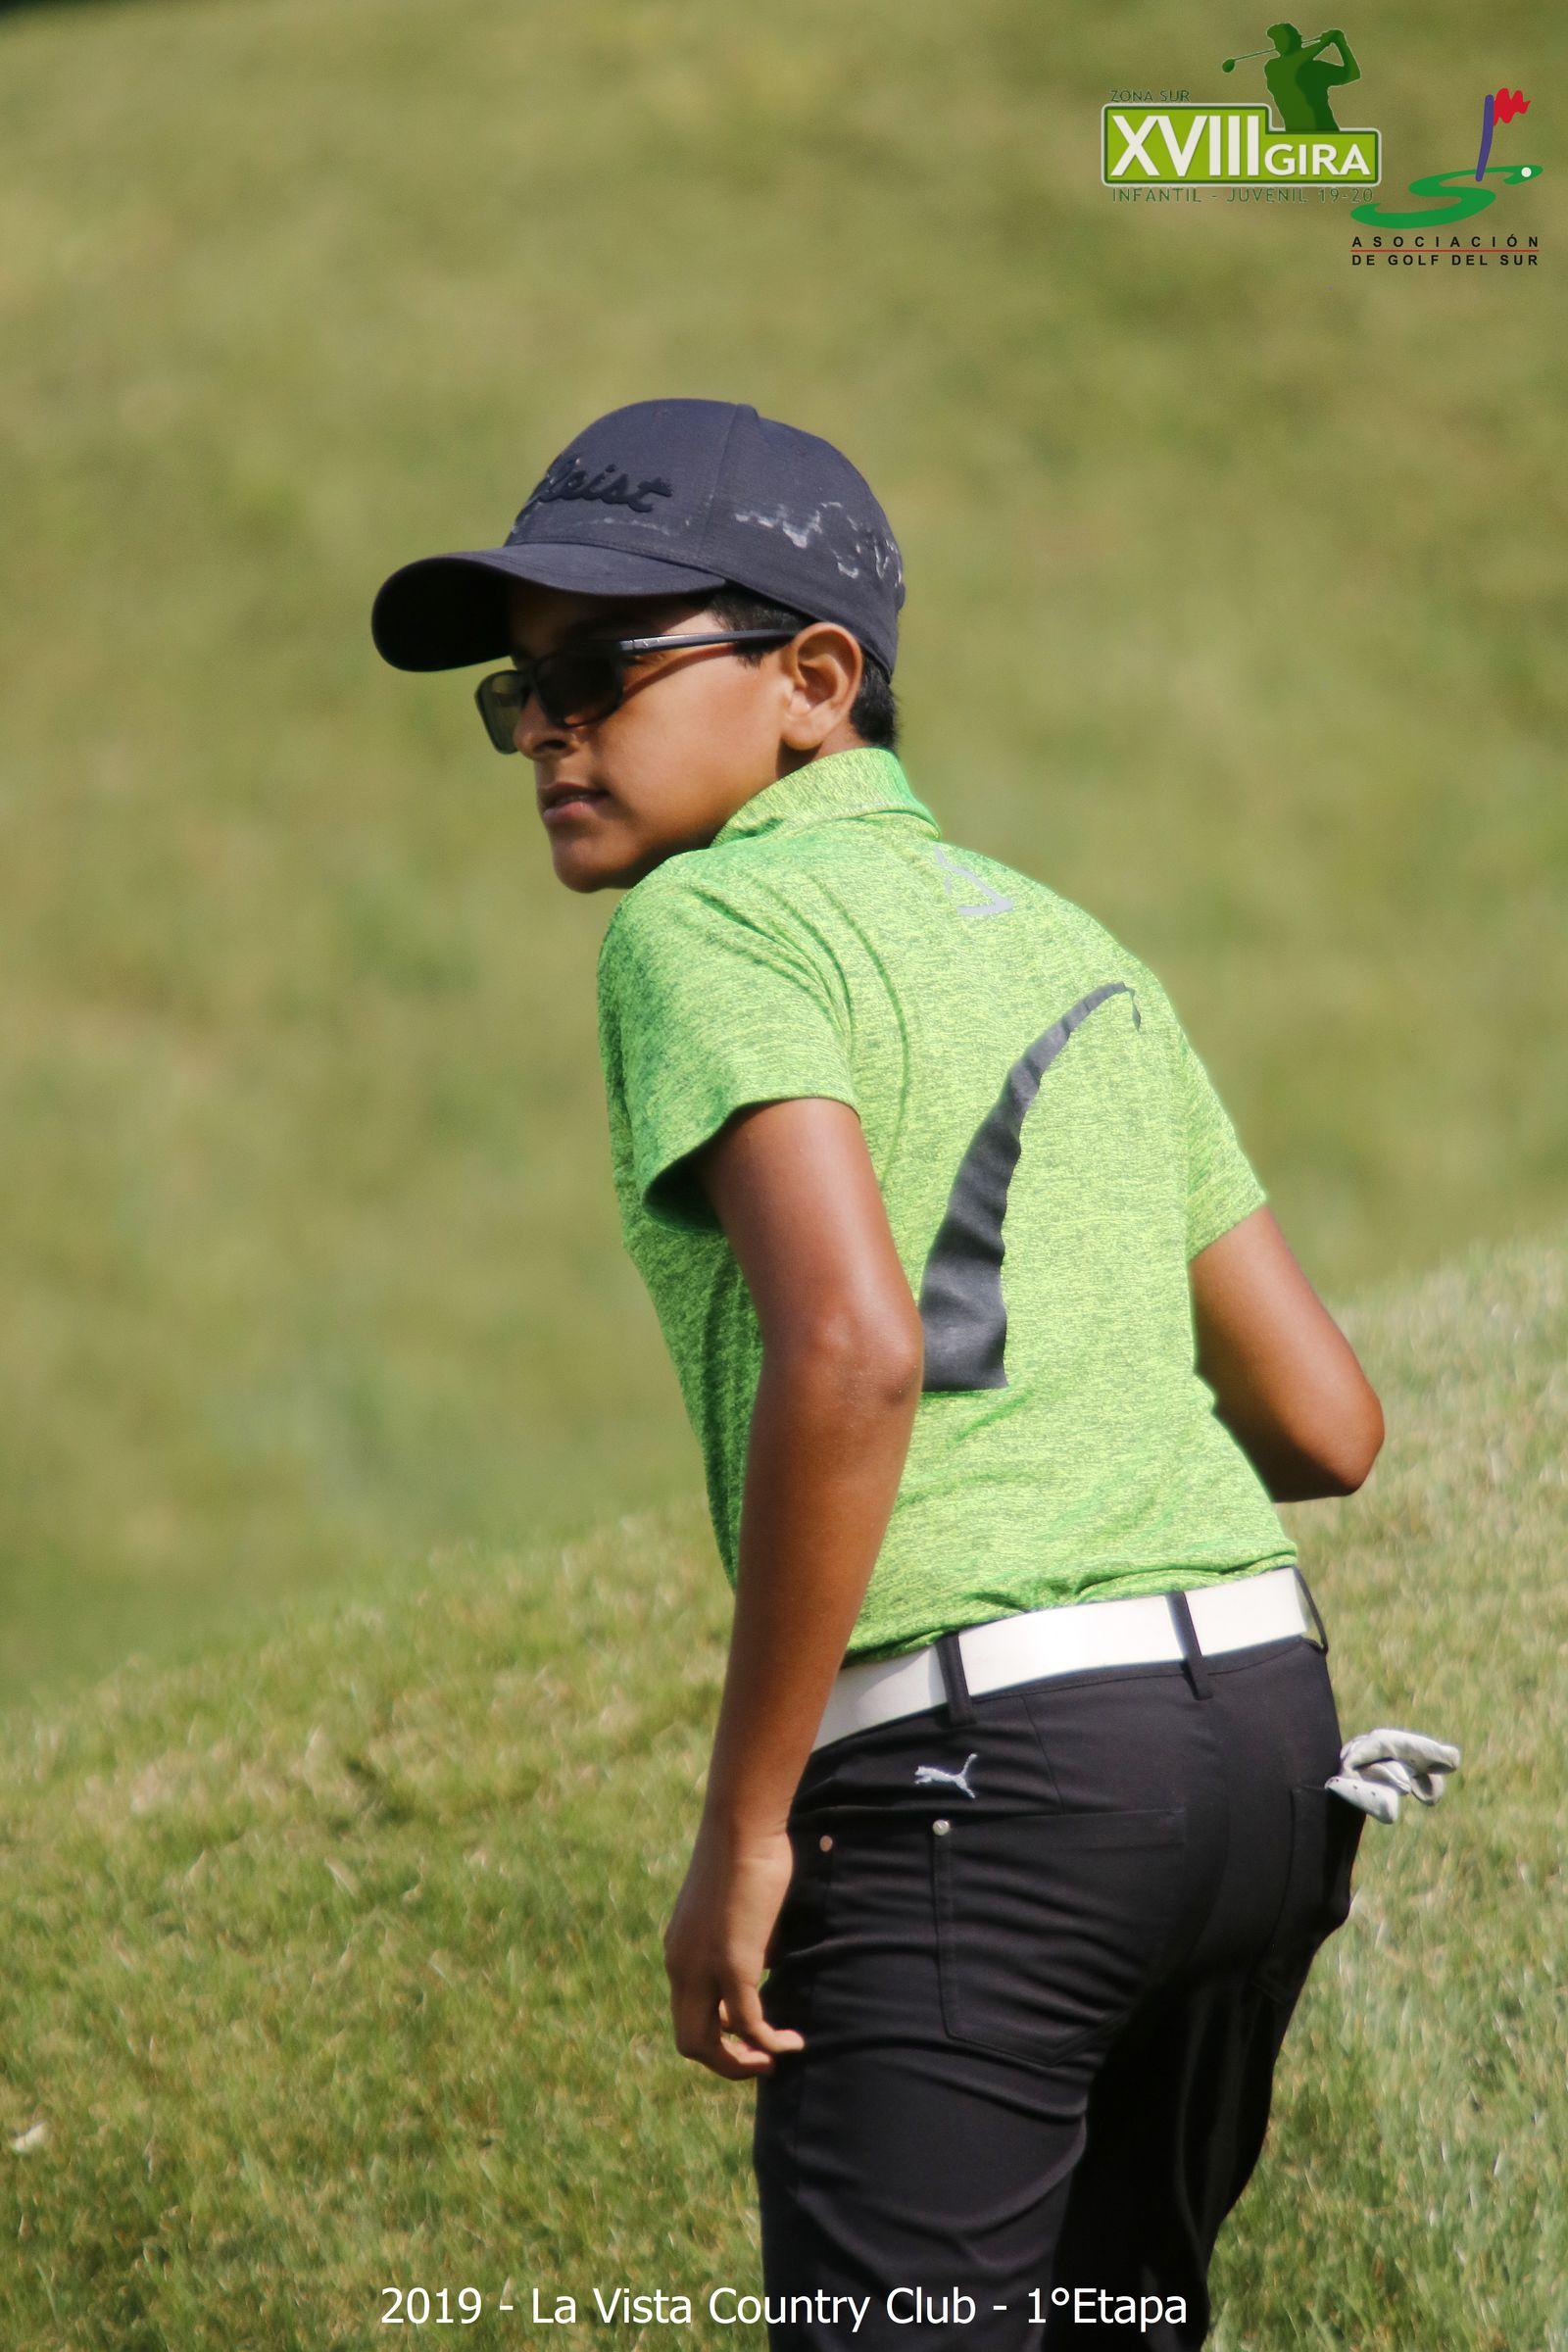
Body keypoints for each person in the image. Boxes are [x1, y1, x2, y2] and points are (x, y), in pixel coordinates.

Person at [369, 397, 1386, 2349]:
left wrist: (745, 1827)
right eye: (517, 693)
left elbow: (849, 1351)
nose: (548, 732)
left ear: (814, 682)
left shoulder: (706, 917)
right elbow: (1326, 1423)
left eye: (600, 671)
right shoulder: (1066, 937)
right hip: (1268, 1744)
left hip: (981, 1788)